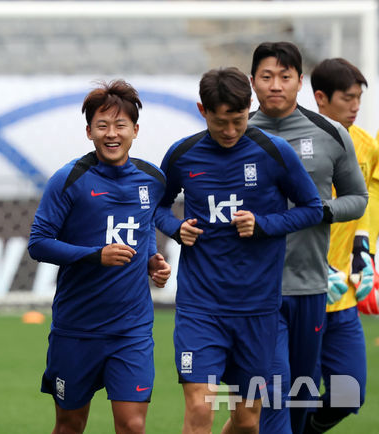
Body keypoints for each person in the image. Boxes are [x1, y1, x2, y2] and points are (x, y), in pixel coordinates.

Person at [155, 67, 323, 434]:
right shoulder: (183, 155)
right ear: (203, 110)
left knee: (247, 422)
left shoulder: (273, 152)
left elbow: (313, 208)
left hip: (258, 310)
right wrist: (175, 228)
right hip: (201, 308)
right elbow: (158, 206)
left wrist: (264, 225)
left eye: (238, 120)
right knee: (200, 409)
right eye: (220, 122)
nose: (230, 131)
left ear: (249, 107)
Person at [28, 79, 171, 434]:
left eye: (120, 125)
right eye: (102, 125)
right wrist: (96, 255)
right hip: (76, 330)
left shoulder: (152, 179)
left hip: (131, 331)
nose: (112, 134)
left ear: (135, 130)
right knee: (70, 425)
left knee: (132, 425)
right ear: (89, 131)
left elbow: (143, 226)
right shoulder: (68, 179)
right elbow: (38, 243)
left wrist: (152, 258)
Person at [248, 42, 368, 434]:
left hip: (313, 289)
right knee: (277, 397)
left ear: (300, 81)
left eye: (285, 76)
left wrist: (320, 211)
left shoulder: (332, 134)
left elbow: (358, 200)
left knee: (305, 401)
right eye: (266, 77)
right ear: (252, 82)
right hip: (257, 292)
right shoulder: (237, 133)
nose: (276, 85)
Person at [303, 58, 377, 433]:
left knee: (351, 392)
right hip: (299, 292)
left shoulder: (364, 145)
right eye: (348, 98)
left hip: (342, 295)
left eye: (358, 98)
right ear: (321, 98)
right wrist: (316, 264)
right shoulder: (295, 147)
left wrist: (365, 249)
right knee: (295, 394)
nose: (356, 106)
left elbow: (371, 195)